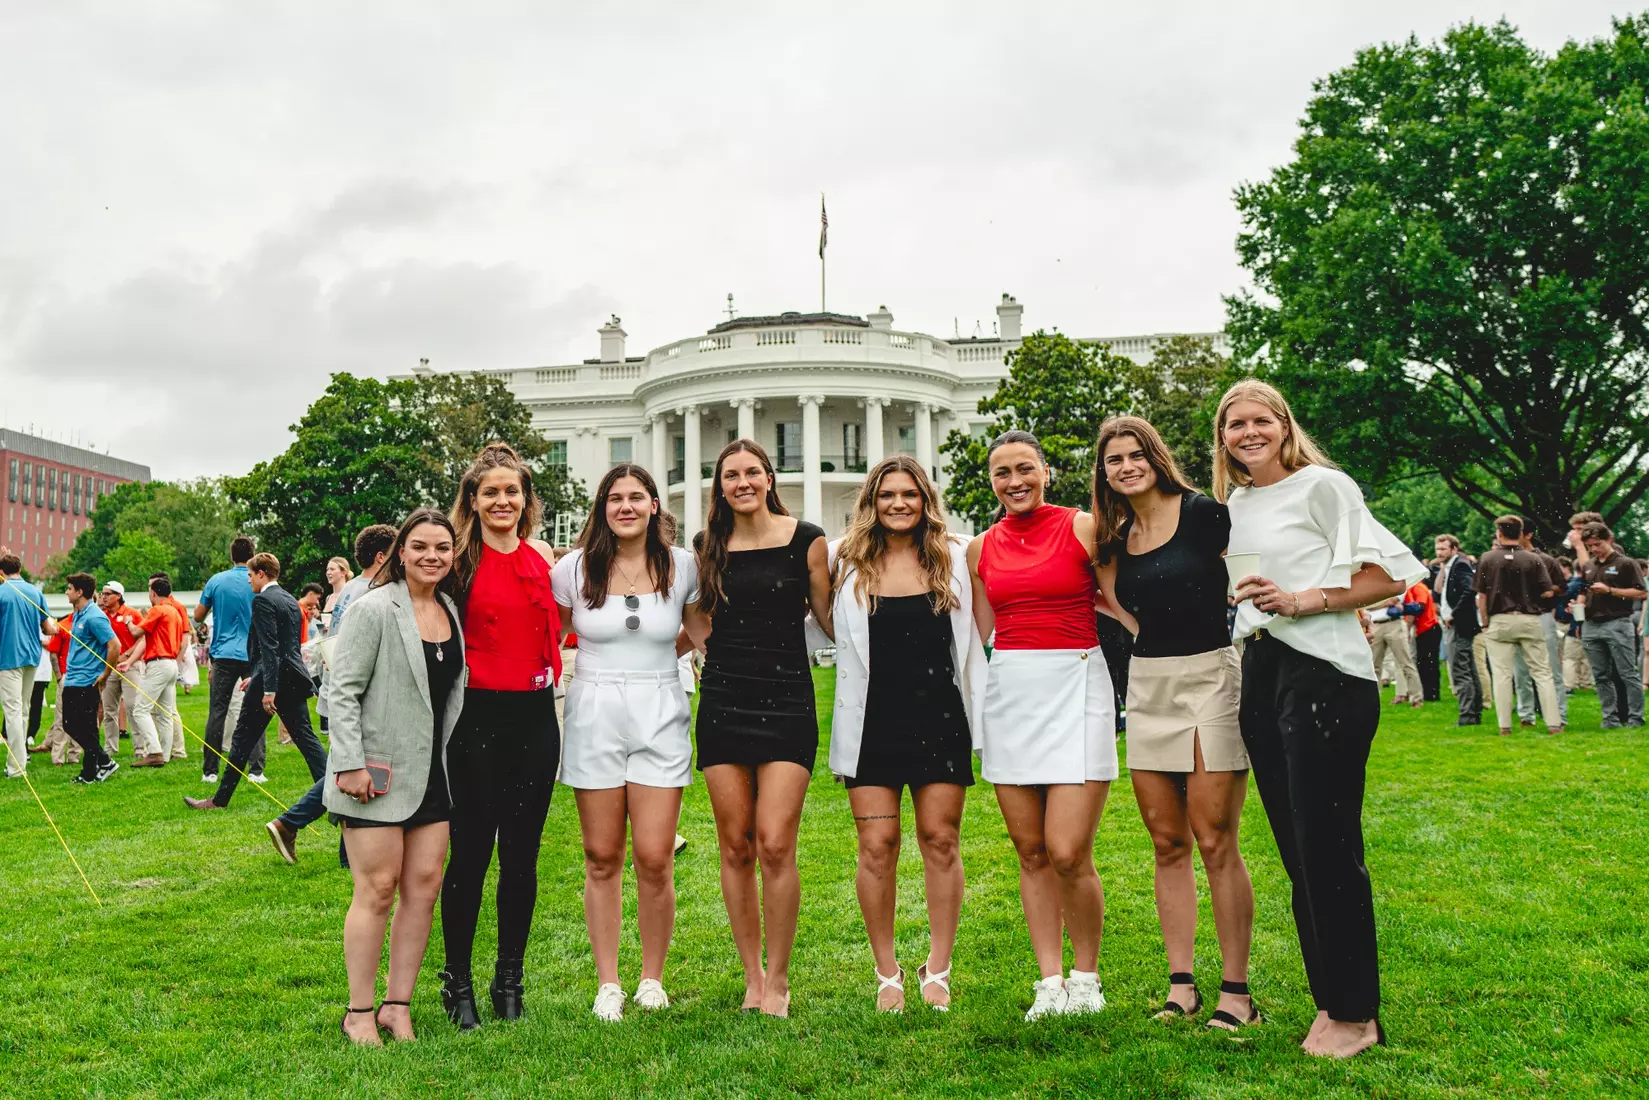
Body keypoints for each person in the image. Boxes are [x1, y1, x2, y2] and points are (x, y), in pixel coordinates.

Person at [1217, 379, 1423, 1058]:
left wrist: (1302, 600)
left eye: (1258, 420)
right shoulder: (1237, 502)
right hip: (1263, 672)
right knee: (1298, 853)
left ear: (1282, 424)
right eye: (1232, 424)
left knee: (1330, 848)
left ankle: (1358, 1015)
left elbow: (1390, 577)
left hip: (1325, 674)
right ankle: (1330, 1003)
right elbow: (1249, 591)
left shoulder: (1325, 486)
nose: (1246, 433)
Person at [1089, 417, 1257, 1032]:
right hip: (1149, 684)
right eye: (1115, 460)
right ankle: (1181, 985)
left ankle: (1237, 993)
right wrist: (1151, 648)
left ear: (1156, 458)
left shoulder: (1206, 513)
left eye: (1137, 455)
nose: (1127, 466)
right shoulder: (1114, 538)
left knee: (1215, 838)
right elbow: (1118, 608)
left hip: (1213, 678)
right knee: (1167, 844)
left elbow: (1254, 571)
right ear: (1103, 473)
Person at [967, 430, 1117, 1021]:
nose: (1015, 481)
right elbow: (973, 634)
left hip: (1078, 685)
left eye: (1025, 468)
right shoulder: (979, 549)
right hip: (1011, 693)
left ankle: (1086, 978)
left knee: (1068, 849)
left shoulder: (1083, 527)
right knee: (1030, 850)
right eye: (1002, 472)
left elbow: (1121, 600)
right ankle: (1049, 981)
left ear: (1046, 472)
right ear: (992, 482)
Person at [827, 455, 986, 1013]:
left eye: (910, 494)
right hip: (869, 724)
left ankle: (937, 967)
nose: (899, 504)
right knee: (876, 847)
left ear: (925, 501)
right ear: (870, 502)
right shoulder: (841, 561)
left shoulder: (957, 557)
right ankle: (887, 971)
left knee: (940, 841)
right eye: (887, 494)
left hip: (940, 719)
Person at [684, 438, 832, 1018]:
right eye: (729, 476)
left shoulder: (807, 539)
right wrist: (701, 648)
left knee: (775, 841)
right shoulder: (706, 546)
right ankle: (751, 978)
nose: (741, 483)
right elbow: (695, 613)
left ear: (769, 478)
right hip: (724, 699)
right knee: (735, 844)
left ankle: (779, 978)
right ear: (719, 487)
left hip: (787, 699)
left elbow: (829, 615)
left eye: (751, 472)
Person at [552, 465, 698, 1021]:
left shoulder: (682, 565)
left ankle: (652, 979)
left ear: (655, 506)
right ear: (602, 507)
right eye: (615, 498)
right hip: (594, 707)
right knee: (601, 855)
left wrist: (663, 661)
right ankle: (608, 981)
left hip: (660, 705)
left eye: (637, 497)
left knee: (656, 856)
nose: (627, 507)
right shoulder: (573, 568)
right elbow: (552, 630)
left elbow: (698, 627)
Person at [327, 509, 465, 1046]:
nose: (433, 556)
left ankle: (396, 1005)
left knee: (423, 890)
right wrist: (349, 763)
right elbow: (341, 691)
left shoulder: (451, 608)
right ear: (399, 552)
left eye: (443, 548)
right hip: (376, 775)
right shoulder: (373, 609)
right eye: (421, 547)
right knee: (377, 890)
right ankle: (358, 1012)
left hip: (435, 777)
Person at [438, 443, 563, 1030]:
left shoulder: (544, 557)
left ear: (526, 498)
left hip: (536, 718)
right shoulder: (456, 559)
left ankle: (508, 979)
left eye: (511, 491)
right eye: (490, 492)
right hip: (476, 720)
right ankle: (456, 981)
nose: (502, 501)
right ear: (472, 499)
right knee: (469, 855)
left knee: (522, 857)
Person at [266, 523, 398, 864]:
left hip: (340, 683)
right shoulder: (372, 590)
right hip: (358, 690)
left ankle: (340, 851)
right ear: (382, 556)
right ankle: (290, 823)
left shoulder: (352, 589)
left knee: (351, 766)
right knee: (349, 768)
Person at [184, 553, 328, 810]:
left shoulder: (263, 601)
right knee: (307, 738)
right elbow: (286, 648)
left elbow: (270, 648)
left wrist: (268, 686)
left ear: (262, 573)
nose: (248, 580)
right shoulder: (290, 600)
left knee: (242, 738)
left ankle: (219, 800)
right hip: (290, 678)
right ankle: (332, 790)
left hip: (273, 682)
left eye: (250, 575)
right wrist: (256, 676)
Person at [1474, 516, 1565, 736]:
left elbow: (1482, 595)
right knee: (1542, 673)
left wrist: (1485, 621)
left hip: (1500, 619)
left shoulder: (1487, 558)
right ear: (1521, 531)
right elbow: (1547, 590)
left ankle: (1504, 725)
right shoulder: (1533, 559)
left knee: (1503, 674)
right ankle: (1554, 723)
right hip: (1529, 618)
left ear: (1499, 533)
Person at [197, 536, 260, 783]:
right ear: (252, 555)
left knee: (217, 712)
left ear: (231, 555)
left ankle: (210, 771)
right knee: (255, 709)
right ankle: (256, 770)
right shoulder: (256, 581)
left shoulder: (217, 580)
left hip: (223, 653)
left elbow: (199, 615)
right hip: (252, 652)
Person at [1575, 521, 1646, 728]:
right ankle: (1610, 718)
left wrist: (1610, 591)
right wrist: (1578, 606)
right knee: (1600, 675)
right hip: (1591, 624)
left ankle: (1635, 717)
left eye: (1598, 544)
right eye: (1590, 546)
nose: (1594, 549)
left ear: (1610, 540)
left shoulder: (1625, 563)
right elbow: (1583, 591)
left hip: (1617, 622)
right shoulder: (1589, 566)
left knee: (1627, 673)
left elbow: (1641, 592)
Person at [59, 573, 123, 784]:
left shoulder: (94, 616)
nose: (66, 592)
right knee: (71, 725)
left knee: (86, 726)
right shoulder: (78, 613)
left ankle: (90, 772)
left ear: (79, 592)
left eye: (69, 588)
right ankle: (103, 762)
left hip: (87, 681)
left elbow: (114, 645)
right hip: (73, 679)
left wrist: (105, 674)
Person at [118, 577, 188, 767]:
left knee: (140, 709)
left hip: (158, 664)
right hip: (171, 664)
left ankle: (154, 752)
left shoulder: (157, 610)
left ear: (154, 593)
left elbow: (135, 633)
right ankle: (164, 755)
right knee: (165, 713)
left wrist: (127, 622)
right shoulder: (174, 611)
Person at [0, 553, 55, 777]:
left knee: (13, 711)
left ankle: (16, 767)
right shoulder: (35, 591)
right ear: (20, 569)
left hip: (9, 658)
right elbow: (49, 627)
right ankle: (20, 761)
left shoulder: (2, 592)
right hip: (32, 658)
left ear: (1, 572)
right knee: (22, 710)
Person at [1510, 519, 1568, 728]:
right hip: (1515, 615)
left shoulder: (1546, 560)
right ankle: (1526, 715)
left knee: (1551, 667)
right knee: (1520, 669)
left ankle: (1559, 714)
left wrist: (1545, 591)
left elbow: (1562, 588)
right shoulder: (1507, 559)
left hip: (1541, 615)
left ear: (1528, 535)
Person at [1433, 535, 1482, 725]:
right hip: (1458, 623)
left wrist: (1454, 613)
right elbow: (1438, 591)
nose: (1439, 553)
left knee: (1460, 670)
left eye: (1443, 549)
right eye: (1437, 549)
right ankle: (1473, 712)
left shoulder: (1460, 564)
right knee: (1467, 667)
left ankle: (1468, 714)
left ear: (1454, 549)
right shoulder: (1451, 565)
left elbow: (1470, 590)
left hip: (1459, 624)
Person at [96, 581, 143, 757]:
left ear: (118, 596)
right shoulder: (102, 616)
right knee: (109, 710)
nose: (104, 597)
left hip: (130, 666)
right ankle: (110, 748)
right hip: (110, 666)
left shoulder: (132, 614)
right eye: (102, 594)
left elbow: (142, 637)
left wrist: (128, 656)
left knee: (133, 707)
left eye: (107, 594)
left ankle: (140, 748)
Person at [1366, 596, 1422, 706]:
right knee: (1373, 666)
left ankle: (1416, 698)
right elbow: (1367, 604)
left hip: (1394, 623)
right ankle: (1373, 700)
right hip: (1375, 624)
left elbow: (1395, 598)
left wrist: (1374, 603)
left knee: (1406, 663)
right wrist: (1385, 602)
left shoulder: (1393, 580)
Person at [1408, 580, 1442, 702]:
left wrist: (1404, 610)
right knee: (1425, 663)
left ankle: (1431, 694)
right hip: (1425, 629)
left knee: (1428, 663)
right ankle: (1429, 693)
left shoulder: (1418, 587)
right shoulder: (1416, 587)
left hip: (1428, 628)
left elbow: (1419, 607)